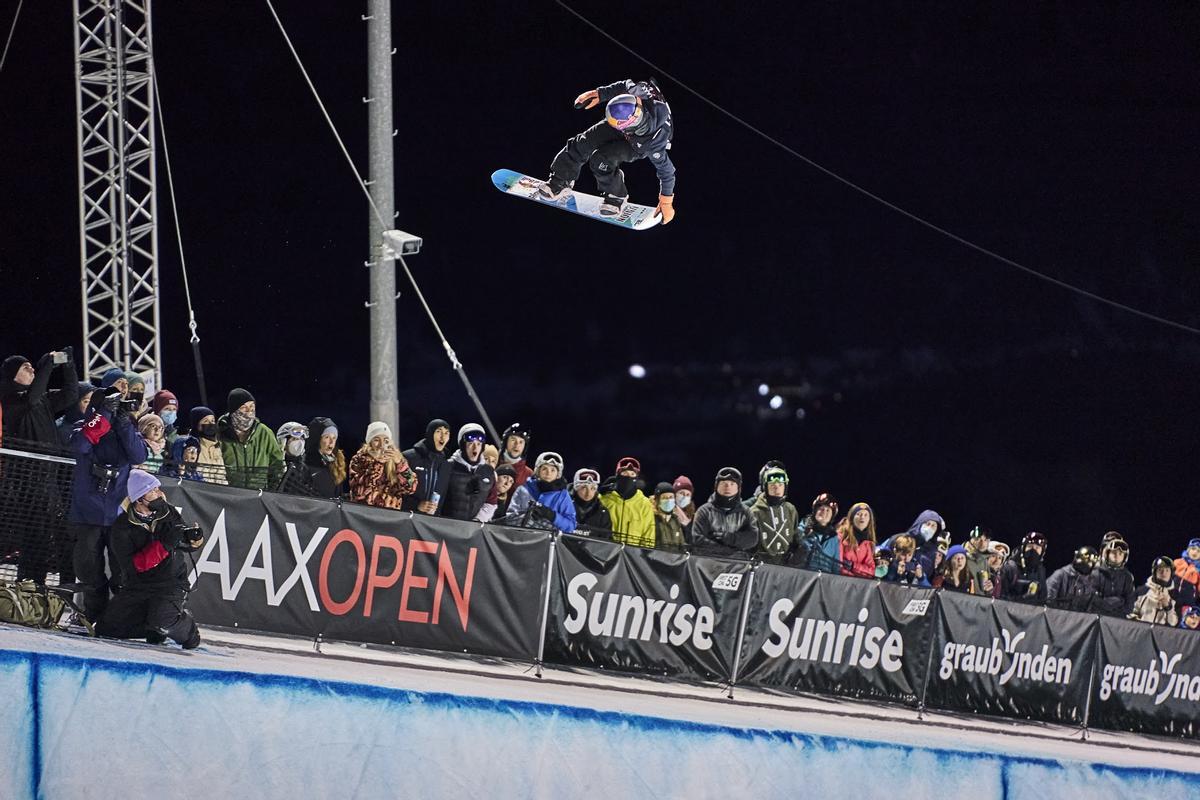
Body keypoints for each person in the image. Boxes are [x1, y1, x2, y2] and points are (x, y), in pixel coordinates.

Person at [540, 78, 676, 224]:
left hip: (637, 144)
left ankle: (616, 196)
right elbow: (624, 85)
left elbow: (667, 171)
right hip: (622, 122)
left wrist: (666, 201)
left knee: (601, 160)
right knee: (583, 142)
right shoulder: (639, 92)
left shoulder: (655, 142)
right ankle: (561, 180)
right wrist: (599, 94)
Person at [67, 386, 149, 621]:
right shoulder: (83, 428)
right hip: (87, 513)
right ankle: (93, 615)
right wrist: (102, 414)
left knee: (122, 572)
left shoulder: (125, 432)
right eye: (112, 402)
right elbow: (81, 445)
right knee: (88, 570)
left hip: (117, 515)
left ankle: (121, 619)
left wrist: (123, 421)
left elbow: (139, 456)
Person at [98, 470, 202, 649]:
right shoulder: (121, 528)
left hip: (171, 583)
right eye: (152, 491)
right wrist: (164, 545)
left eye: (158, 489)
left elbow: (181, 538)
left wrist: (194, 540)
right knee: (106, 628)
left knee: (163, 621)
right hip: (138, 585)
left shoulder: (167, 511)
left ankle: (189, 632)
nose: (159, 493)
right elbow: (134, 566)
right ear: (139, 499)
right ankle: (153, 628)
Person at [1, 348, 79, 450]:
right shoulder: (8, 399)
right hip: (25, 463)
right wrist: (48, 365)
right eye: (25, 367)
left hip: (51, 463)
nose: (32, 369)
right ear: (13, 375)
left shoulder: (43, 398)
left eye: (31, 366)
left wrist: (68, 365)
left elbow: (71, 395)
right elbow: (31, 399)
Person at [217, 388, 284, 490]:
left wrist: (271, 490)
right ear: (233, 410)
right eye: (244, 407)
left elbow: (277, 465)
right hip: (229, 495)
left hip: (258, 496)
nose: (249, 411)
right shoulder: (220, 433)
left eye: (252, 406)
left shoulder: (264, 432)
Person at [348, 421, 418, 510]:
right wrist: (377, 463)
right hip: (365, 516)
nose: (381, 445)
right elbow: (360, 493)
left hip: (390, 517)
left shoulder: (397, 460)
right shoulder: (359, 460)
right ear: (369, 443)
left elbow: (411, 489)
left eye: (386, 440)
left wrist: (400, 464)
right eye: (376, 440)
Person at [690, 467, 756, 558]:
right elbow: (697, 539)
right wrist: (724, 550)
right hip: (708, 564)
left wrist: (732, 538)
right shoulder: (704, 511)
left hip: (738, 565)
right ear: (716, 486)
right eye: (723, 483)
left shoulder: (746, 512)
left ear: (738, 488)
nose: (728, 487)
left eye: (732, 484)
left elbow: (753, 538)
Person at [504, 452, 576, 533]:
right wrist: (528, 517)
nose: (548, 473)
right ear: (538, 471)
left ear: (558, 474)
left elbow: (571, 526)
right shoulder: (523, 490)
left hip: (547, 542)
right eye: (544, 469)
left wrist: (552, 515)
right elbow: (510, 518)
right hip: (520, 538)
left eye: (553, 470)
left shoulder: (563, 495)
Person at [441, 423, 497, 522]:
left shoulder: (489, 471)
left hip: (473, 531)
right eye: (471, 444)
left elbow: (491, 502)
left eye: (479, 444)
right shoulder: (448, 466)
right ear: (462, 445)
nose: (475, 448)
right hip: (446, 527)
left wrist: (478, 520)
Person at [599, 456, 656, 547]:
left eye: (632, 474)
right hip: (607, 555)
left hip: (632, 558)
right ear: (617, 476)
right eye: (625, 473)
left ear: (636, 478)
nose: (628, 477)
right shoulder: (604, 499)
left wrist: (642, 558)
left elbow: (648, 536)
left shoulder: (644, 504)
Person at [748, 466, 799, 564]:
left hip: (784, 566)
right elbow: (748, 544)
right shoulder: (754, 512)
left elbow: (795, 537)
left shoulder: (791, 510)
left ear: (785, 487)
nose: (777, 488)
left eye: (780, 485)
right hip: (761, 566)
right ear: (765, 487)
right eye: (772, 485)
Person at [402, 418, 452, 514]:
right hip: (408, 518)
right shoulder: (409, 457)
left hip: (432, 523)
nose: (443, 437)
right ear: (430, 433)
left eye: (446, 433)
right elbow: (396, 489)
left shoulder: (446, 464)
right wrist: (416, 505)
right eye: (438, 432)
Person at [1131, 557, 1190, 627]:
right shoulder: (1142, 591)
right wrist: (1135, 620)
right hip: (1142, 631)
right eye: (1160, 570)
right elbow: (1131, 612)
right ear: (1154, 572)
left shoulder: (1175, 596)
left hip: (1162, 635)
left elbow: (1174, 624)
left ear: (1172, 573)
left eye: (1167, 570)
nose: (1164, 573)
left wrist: (1168, 607)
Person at [1046, 546, 1101, 612]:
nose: (1088, 565)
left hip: (1078, 620)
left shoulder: (1090, 582)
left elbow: (1089, 608)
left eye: (1091, 563)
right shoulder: (1061, 575)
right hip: (1057, 618)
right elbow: (1048, 600)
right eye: (1086, 561)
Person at [1093, 535, 1136, 618]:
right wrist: (1118, 601)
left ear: (1124, 557)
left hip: (1118, 621)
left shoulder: (1127, 576)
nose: (1117, 556)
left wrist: (1117, 611)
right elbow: (1092, 600)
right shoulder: (1096, 572)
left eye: (1120, 554)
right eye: (1114, 552)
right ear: (1107, 553)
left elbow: (1130, 604)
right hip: (1098, 618)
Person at [1000, 532, 1048, 605]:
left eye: (1037, 548)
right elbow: (1001, 598)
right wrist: (1024, 598)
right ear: (1023, 548)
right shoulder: (1010, 568)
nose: (1033, 550)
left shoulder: (1040, 570)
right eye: (1030, 546)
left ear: (1042, 552)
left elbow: (1043, 598)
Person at [796, 493, 840, 572]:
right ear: (815, 510)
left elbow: (835, 566)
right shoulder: (803, 528)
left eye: (828, 510)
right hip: (803, 577)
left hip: (824, 580)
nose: (824, 512)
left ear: (832, 516)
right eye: (821, 508)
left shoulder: (834, 537)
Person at [305, 416, 347, 499]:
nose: (331, 442)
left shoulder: (337, 463)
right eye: (327, 437)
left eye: (334, 438)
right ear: (317, 439)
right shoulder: (305, 463)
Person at [836, 502, 878, 579]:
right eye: (858, 514)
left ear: (869, 520)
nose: (862, 517)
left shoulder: (868, 544)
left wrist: (853, 566)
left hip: (859, 586)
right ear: (852, 517)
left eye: (866, 515)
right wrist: (859, 574)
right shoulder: (841, 537)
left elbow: (872, 571)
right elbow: (839, 566)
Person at [189, 406, 227, 485]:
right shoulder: (192, 445)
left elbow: (222, 476)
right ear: (196, 424)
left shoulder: (217, 446)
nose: (211, 424)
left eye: (213, 421)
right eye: (205, 421)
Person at [275, 422, 315, 496]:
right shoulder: (274, 464)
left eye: (301, 438)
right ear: (284, 442)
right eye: (294, 439)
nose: (299, 442)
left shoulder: (304, 469)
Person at [571, 468, 612, 538]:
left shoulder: (602, 512)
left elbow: (606, 540)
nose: (588, 493)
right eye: (584, 488)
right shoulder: (565, 506)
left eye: (592, 488)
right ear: (576, 488)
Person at [57, 381, 95, 447]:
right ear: (74, 404)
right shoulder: (62, 430)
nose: (91, 405)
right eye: (86, 401)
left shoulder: (95, 423)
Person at [652, 481, 686, 552]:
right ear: (658, 500)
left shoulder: (675, 520)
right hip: (655, 561)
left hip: (674, 561)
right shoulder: (652, 518)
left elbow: (682, 545)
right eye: (664, 498)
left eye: (671, 497)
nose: (668, 500)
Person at [499, 422, 533, 487]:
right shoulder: (492, 464)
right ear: (505, 442)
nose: (517, 445)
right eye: (513, 440)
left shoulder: (529, 475)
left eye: (521, 442)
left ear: (524, 447)